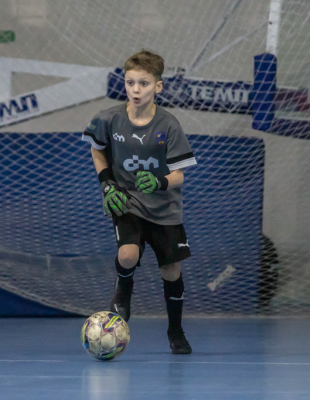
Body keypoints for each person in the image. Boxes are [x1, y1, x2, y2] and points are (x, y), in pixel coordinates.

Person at [81, 49, 197, 354]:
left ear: (158, 86)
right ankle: (124, 288)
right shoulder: (108, 119)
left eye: (143, 83)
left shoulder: (169, 125)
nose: (136, 89)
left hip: (165, 208)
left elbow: (179, 175)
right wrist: (107, 183)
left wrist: (159, 181)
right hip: (127, 201)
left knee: (170, 271)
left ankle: (175, 330)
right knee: (128, 255)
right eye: (130, 82)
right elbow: (96, 149)